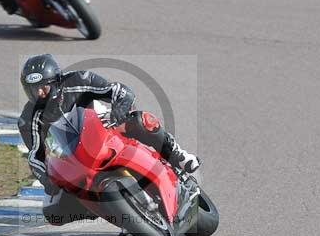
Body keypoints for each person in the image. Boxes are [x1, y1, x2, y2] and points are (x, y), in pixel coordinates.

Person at [18, 54, 200, 196]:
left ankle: (176, 154)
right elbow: (35, 155)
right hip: (72, 156)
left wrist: (120, 108)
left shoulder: (78, 80)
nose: (40, 93)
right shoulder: (28, 119)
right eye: (33, 90)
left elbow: (118, 91)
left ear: (56, 81)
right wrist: (47, 180)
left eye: (44, 87)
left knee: (141, 120)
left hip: (104, 127)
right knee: (55, 210)